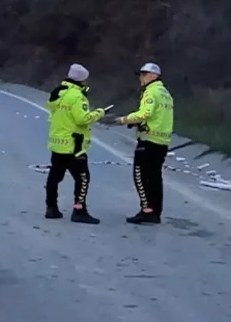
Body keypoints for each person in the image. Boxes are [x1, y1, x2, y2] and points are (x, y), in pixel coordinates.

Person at [109, 62, 174, 225]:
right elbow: (158, 117)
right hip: (162, 142)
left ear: (154, 76)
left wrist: (124, 120)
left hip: (148, 141)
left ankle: (146, 211)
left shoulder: (151, 92)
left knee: (140, 176)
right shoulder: (166, 93)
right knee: (155, 178)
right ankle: (155, 212)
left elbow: (145, 113)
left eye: (144, 74)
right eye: (140, 75)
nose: (141, 78)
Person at [45, 64, 107, 223]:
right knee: (83, 178)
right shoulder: (78, 97)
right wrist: (99, 113)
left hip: (57, 142)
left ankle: (51, 208)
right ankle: (79, 211)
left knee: (54, 176)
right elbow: (82, 119)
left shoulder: (57, 92)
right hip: (74, 145)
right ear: (83, 80)